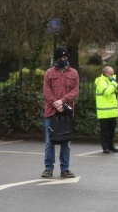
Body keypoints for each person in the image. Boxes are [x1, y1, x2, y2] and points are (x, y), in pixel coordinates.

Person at [42, 47, 79, 178]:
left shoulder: (74, 73)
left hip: (66, 114)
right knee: (49, 142)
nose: (63, 60)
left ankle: (65, 169)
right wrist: (55, 103)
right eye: (60, 59)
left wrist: (62, 101)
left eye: (65, 58)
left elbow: (75, 91)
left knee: (66, 142)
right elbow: (46, 91)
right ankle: (48, 168)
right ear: (56, 60)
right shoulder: (49, 73)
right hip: (51, 113)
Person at [94, 66, 118, 153]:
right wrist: (114, 84)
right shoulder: (102, 81)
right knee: (105, 131)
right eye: (111, 74)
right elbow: (107, 93)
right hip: (104, 112)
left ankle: (111, 146)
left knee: (111, 131)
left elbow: (114, 97)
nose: (112, 75)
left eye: (113, 73)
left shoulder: (110, 81)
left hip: (112, 111)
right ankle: (105, 147)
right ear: (105, 73)